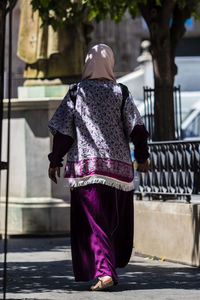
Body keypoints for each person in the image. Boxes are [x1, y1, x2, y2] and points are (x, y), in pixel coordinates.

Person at [48, 44, 150, 291]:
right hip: (119, 173)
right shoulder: (121, 92)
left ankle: (105, 272)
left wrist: (55, 161)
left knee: (95, 222)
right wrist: (143, 158)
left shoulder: (76, 93)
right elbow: (137, 128)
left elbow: (63, 133)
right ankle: (107, 268)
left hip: (88, 170)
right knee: (111, 221)